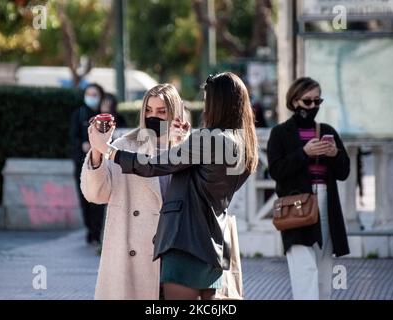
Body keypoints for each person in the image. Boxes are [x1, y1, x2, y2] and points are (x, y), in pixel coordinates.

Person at [87, 72, 258, 300]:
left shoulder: (207, 139)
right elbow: (201, 176)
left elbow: (152, 166)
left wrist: (107, 149)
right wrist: (185, 141)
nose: (205, 107)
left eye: (208, 100)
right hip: (212, 243)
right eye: (148, 110)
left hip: (185, 242)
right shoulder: (243, 143)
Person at [80, 84, 189, 299]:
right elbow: (95, 194)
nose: (153, 117)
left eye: (161, 112)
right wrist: (97, 150)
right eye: (148, 110)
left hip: (177, 251)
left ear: (175, 113)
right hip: (133, 257)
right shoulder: (125, 147)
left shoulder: (189, 148)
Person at [266, 77, 350, 300]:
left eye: (317, 101)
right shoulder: (280, 133)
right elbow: (276, 170)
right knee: (305, 271)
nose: (313, 107)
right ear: (294, 102)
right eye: (307, 101)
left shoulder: (327, 130)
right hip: (296, 206)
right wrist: (304, 153)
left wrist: (335, 155)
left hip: (326, 204)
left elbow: (344, 173)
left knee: (324, 272)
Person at [70, 83, 106, 245]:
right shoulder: (79, 114)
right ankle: (90, 230)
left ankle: (97, 231)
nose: (92, 97)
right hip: (81, 163)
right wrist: (83, 144)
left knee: (98, 198)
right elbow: (72, 137)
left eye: (95, 94)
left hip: (102, 164)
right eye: (89, 94)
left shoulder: (105, 115)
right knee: (84, 198)